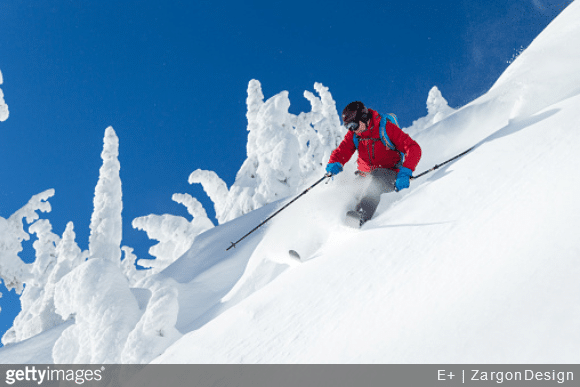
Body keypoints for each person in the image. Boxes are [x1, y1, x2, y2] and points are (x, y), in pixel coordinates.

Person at [326, 101, 422, 227]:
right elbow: (342, 150)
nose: (352, 130)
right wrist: (334, 162)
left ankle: (360, 218)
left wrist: (405, 172)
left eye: (354, 125)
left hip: (388, 174)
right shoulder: (355, 134)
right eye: (349, 127)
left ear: (364, 118)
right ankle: (332, 230)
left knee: (374, 183)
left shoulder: (386, 128)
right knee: (350, 192)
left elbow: (413, 148)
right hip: (364, 176)